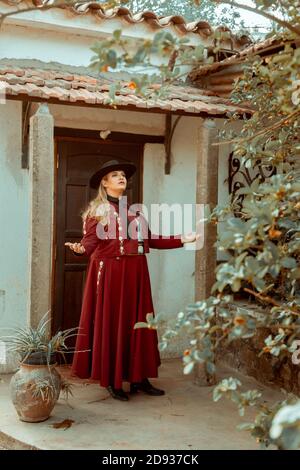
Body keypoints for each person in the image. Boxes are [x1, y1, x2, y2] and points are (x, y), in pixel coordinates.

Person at [65, 159, 198, 401]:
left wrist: (183, 238)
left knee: (139, 324)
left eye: (123, 174)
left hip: (137, 274)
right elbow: (89, 244)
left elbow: (152, 239)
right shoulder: (97, 212)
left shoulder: (134, 212)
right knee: (114, 324)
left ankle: (139, 378)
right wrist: (79, 250)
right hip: (112, 275)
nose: (121, 177)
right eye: (115, 175)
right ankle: (112, 379)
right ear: (104, 183)